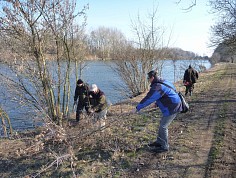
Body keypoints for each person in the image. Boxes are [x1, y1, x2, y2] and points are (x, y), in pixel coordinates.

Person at [131, 70, 183, 153]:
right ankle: (159, 142)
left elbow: (148, 98)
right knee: (162, 124)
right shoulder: (163, 81)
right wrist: (157, 103)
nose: (148, 80)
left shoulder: (157, 86)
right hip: (173, 104)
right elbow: (168, 92)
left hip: (172, 107)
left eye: (149, 78)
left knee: (163, 126)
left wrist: (137, 108)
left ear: (152, 77)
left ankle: (164, 146)